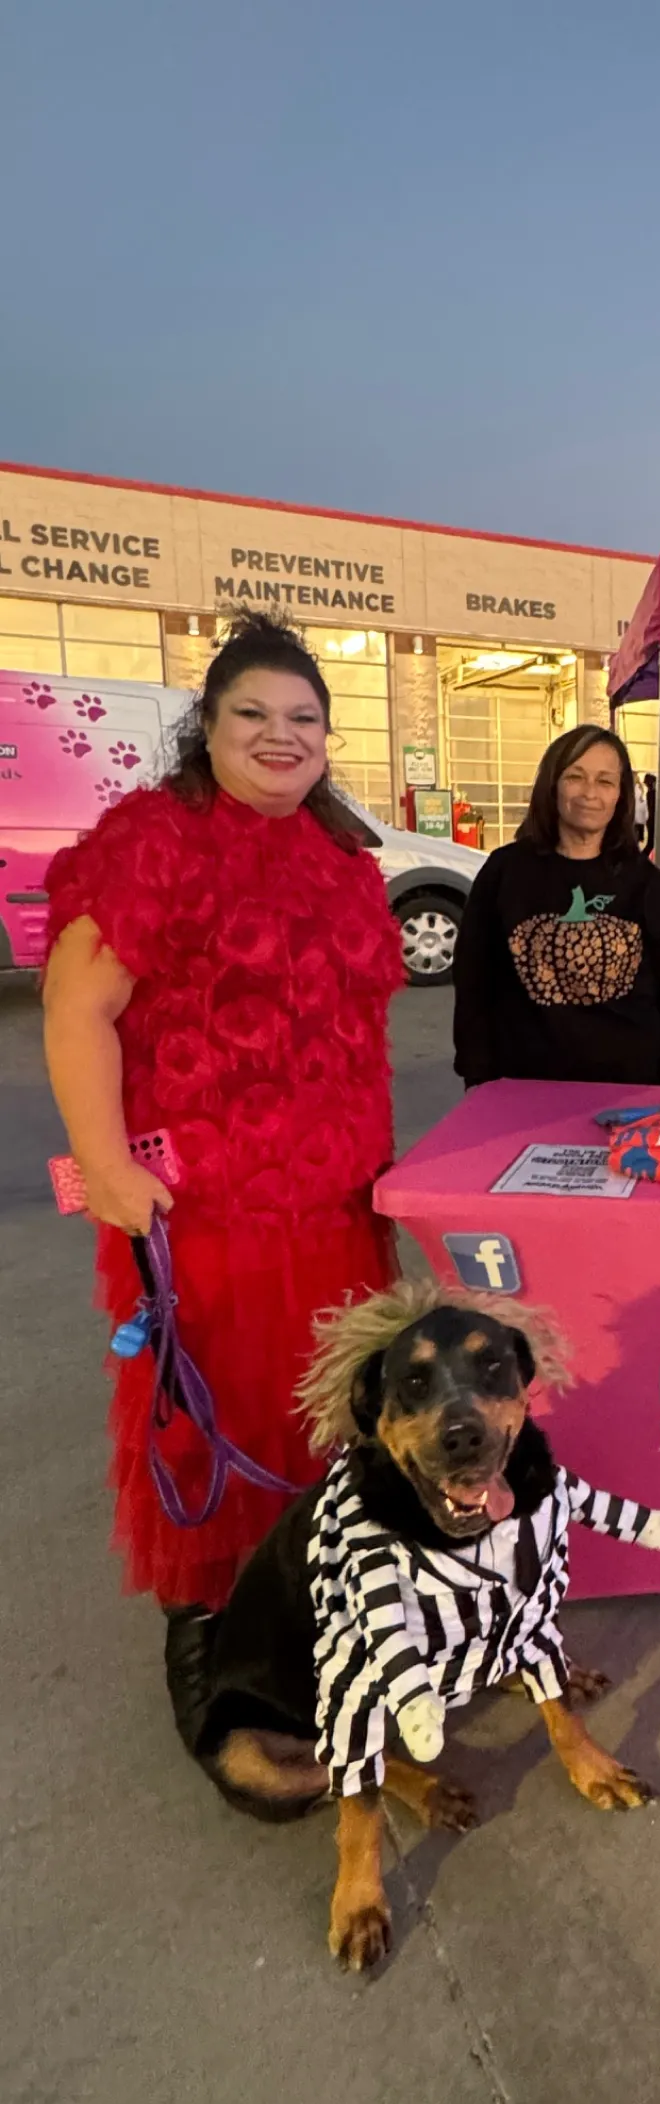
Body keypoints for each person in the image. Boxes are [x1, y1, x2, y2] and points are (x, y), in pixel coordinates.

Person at [42, 611, 404, 1719]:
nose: (279, 734)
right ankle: (213, 1646)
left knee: (330, 1420)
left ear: (329, 738)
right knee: (217, 1421)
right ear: (209, 724)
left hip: (337, 1211)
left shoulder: (341, 858)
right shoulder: (157, 836)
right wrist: (104, 1165)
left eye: (302, 717)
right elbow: (75, 1008)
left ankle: (320, 1617)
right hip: (205, 1214)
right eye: (252, 713)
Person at [452, 724, 660, 1087]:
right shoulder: (505, 872)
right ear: (552, 784)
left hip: (628, 1083)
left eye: (605, 781)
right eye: (575, 776)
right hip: (523, 1084)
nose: (589, 793)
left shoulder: (644, 882)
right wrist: (477, 1073)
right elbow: (473, 977)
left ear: (620, 795)